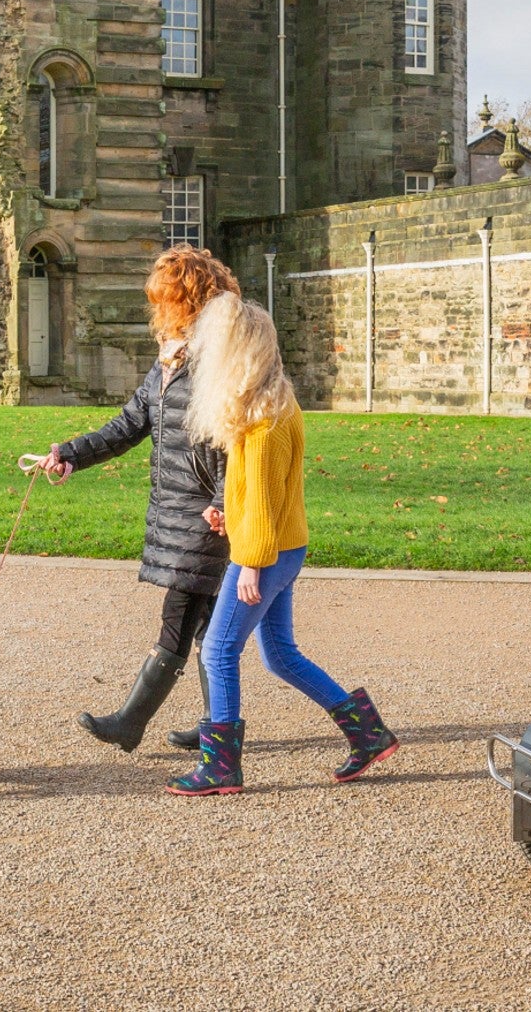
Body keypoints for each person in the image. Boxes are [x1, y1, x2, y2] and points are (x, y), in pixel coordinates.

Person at [167, 292, 396, 796]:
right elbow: (255, 491)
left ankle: (221, 767)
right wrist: (230, 512)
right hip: (281, 549)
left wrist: (249, 562)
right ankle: (368, 733)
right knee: (280, 655)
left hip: (267, 553)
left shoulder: (267, 420)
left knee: (219, 650)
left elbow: (268, 503)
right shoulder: (261, 408)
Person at [40, 245, 242, 753]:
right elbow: (130, 424)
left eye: (167, 299)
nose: (159, 309)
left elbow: (232, 440)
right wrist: (69, 454)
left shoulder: (217, 361)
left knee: (184, 616)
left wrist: (222, 500)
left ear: (191, 299)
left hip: (206, 516)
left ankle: (133, 722)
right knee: (205, 627)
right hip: (180, 511)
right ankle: (217, 721)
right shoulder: (169, 362)